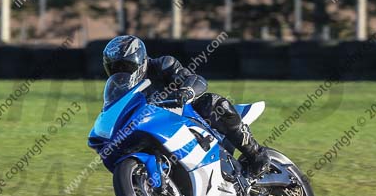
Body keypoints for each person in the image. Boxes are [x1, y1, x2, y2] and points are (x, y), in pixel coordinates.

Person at [102, 35, 270, 174]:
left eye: (125, 66)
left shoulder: (162, 65)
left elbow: (195, 79)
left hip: (183, 115)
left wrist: (186, 91)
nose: (121, 72)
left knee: (211, 103)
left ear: (139, 59)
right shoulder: (118, 89)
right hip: (154, 128)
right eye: (115, 68)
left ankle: (256, 153)